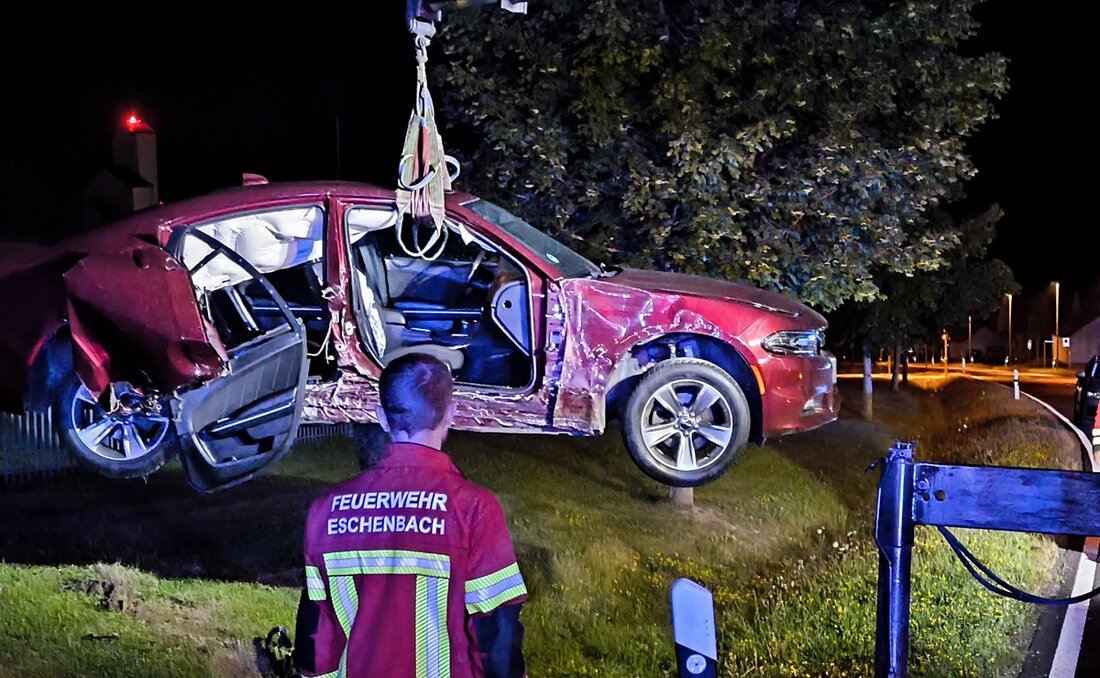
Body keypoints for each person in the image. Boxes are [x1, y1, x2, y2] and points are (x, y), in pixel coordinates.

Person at [294, 353, 527, 677]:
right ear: (450, 415)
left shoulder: (327, 509)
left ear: (382, 418)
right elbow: (496, 638)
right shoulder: (473, 509)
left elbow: (315, 639)